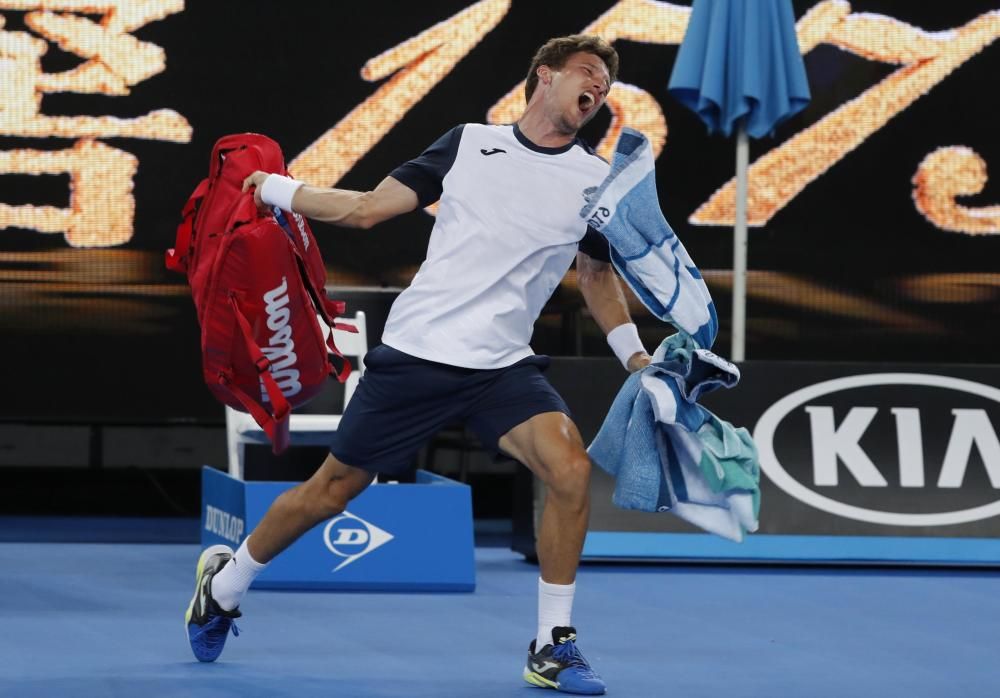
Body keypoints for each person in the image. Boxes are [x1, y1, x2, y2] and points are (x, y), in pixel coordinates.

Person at [185, 34, 650, 696]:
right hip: (418, 357)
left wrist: (633, 354)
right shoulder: (467, 145)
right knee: (332, 492)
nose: (597, 90)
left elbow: (598, 276)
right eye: (587, 74)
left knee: (569, 468)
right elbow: (369, 209)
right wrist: (280, 191)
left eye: (605, 86)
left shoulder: (596, 183)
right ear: (543, 76)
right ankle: (225, 584)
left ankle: (552, 645)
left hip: (502, 369)